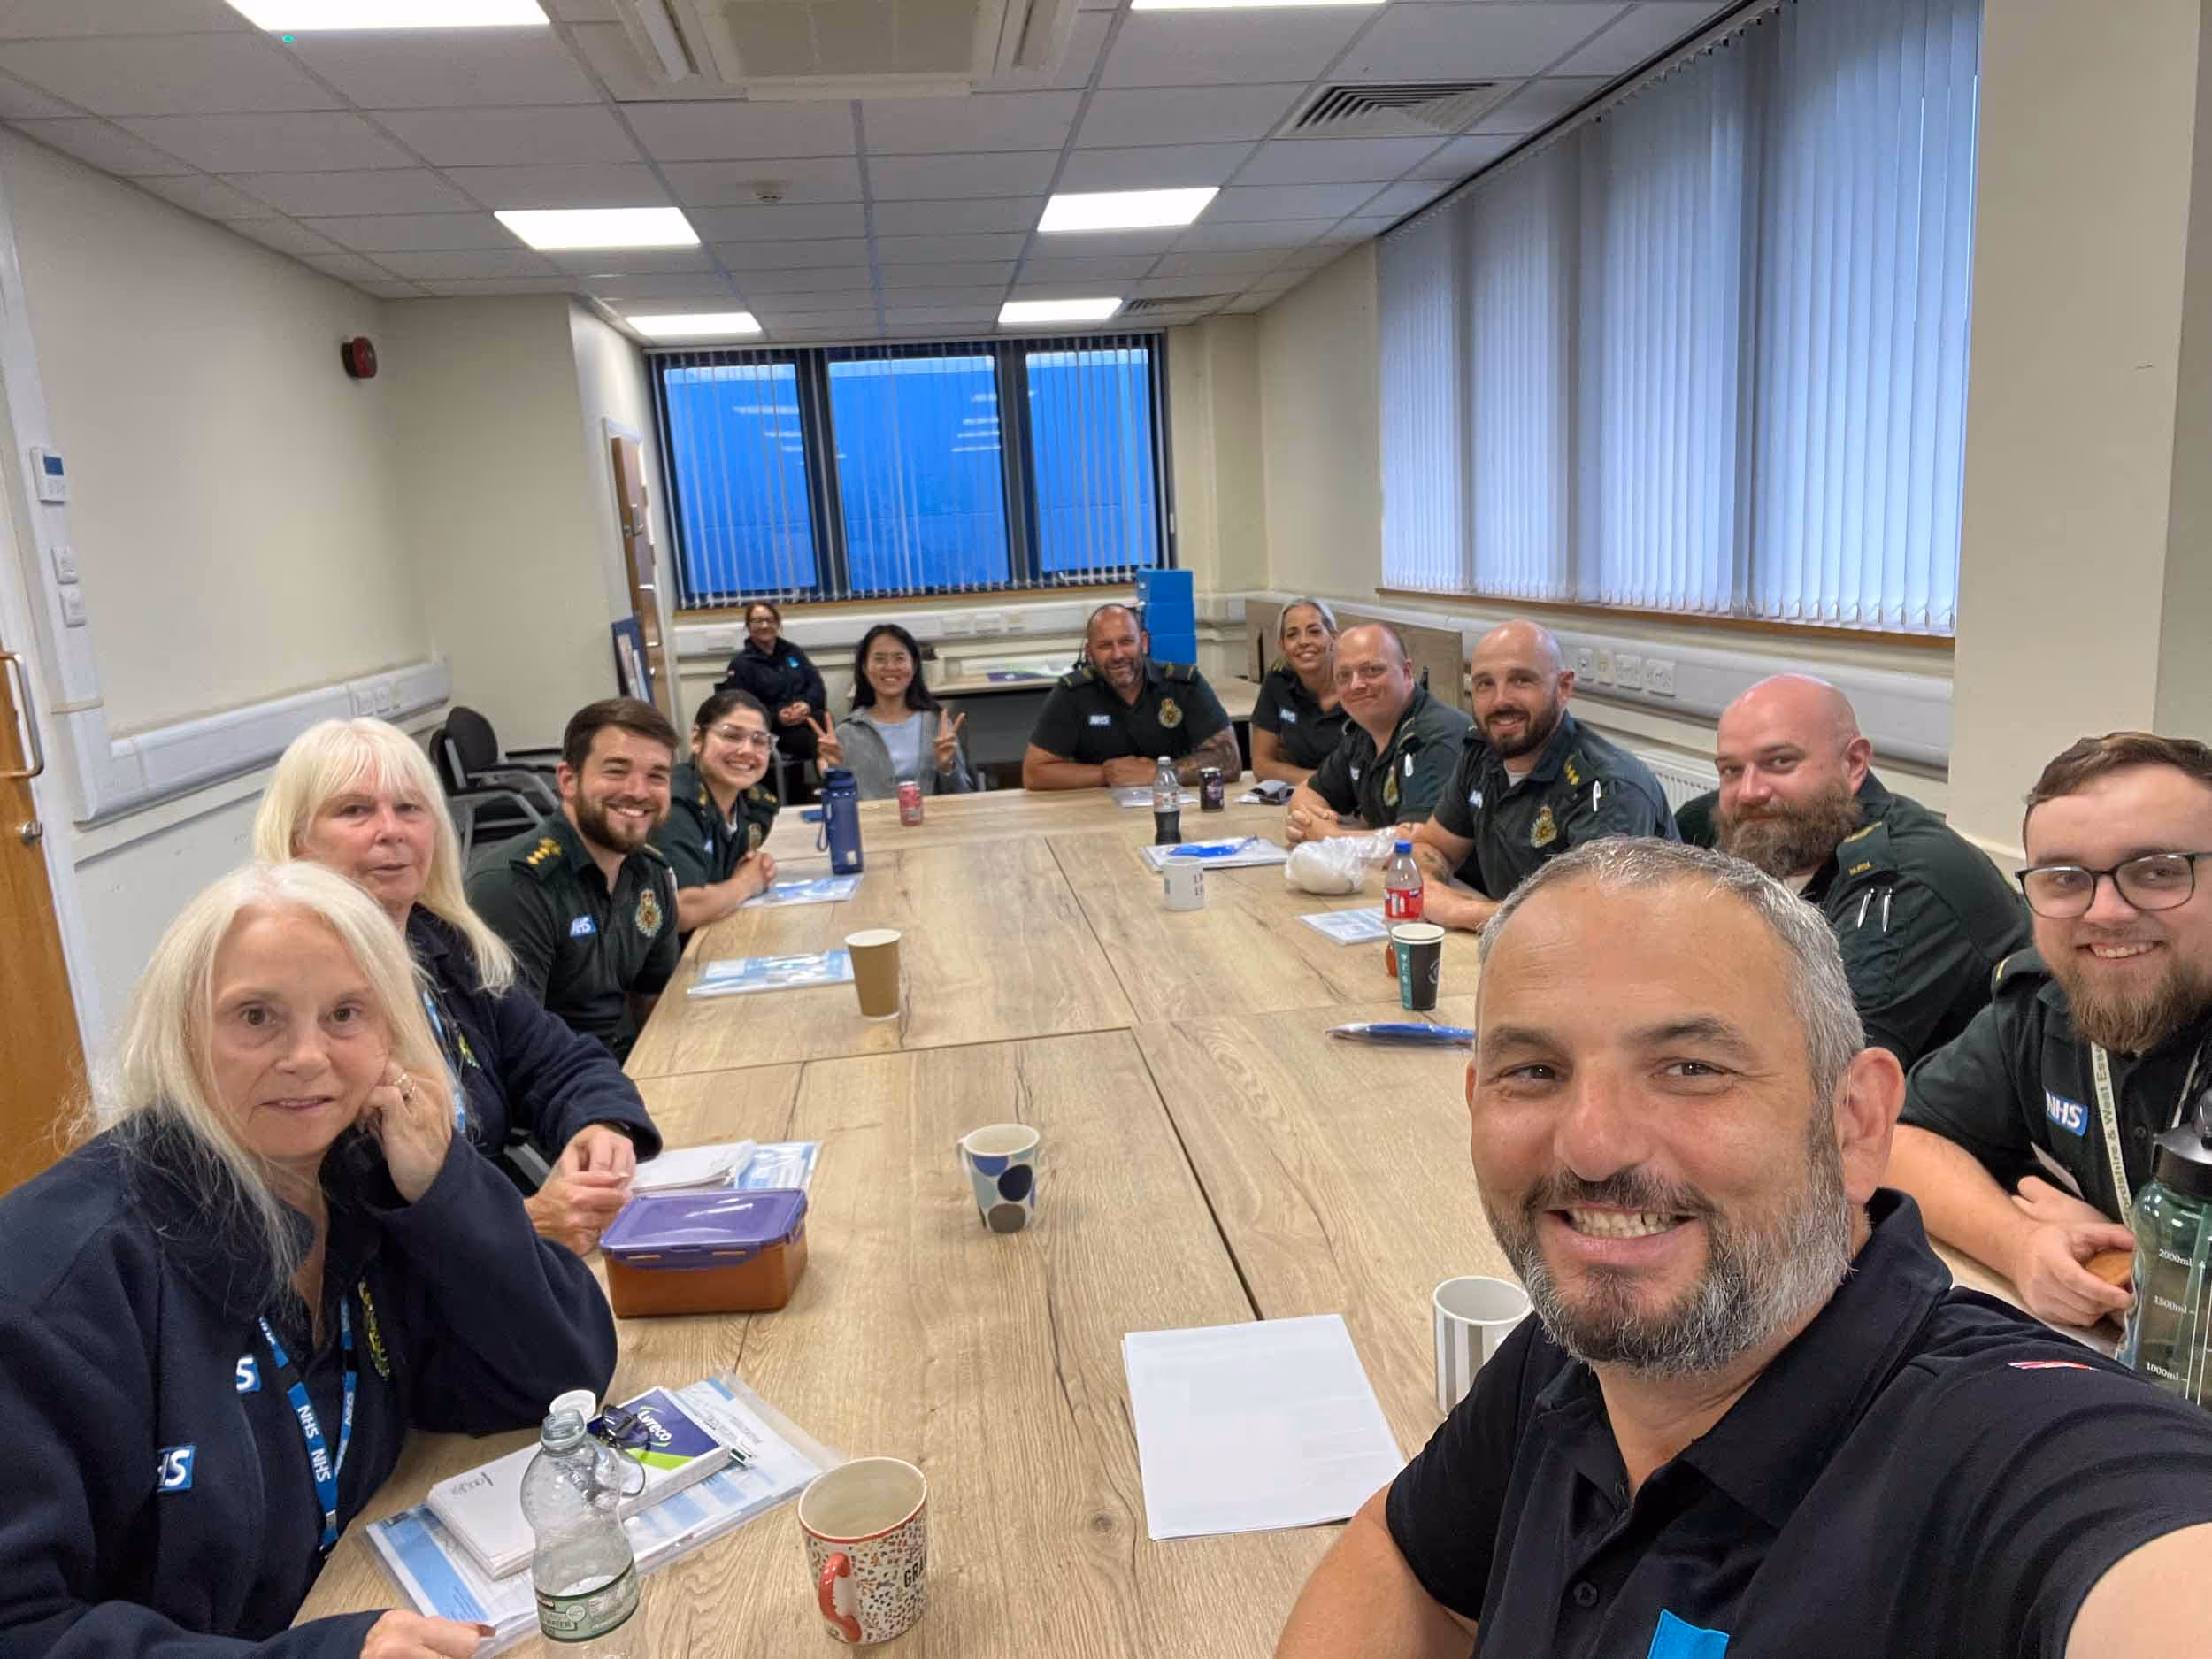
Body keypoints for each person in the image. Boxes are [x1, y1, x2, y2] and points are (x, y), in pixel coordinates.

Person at [1273, 838, 2212, 1659]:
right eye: (1535, 1070)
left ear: (1855, 1123)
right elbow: (1406, 1560)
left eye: (1690, 1068)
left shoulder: (2007, 1445)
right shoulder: (1573, 1357)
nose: (1592, 1145)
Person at [0, 860, 618, 1656]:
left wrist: (444, 1191)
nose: (306, 1054)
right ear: (182, 1033)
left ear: (393, 1033)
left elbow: (560, 1374)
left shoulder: (360, 1181)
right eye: (256, 1015)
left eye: (346, 1013)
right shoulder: (60, 1278)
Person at [256, 719, 663, 1256]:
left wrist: (600, 1125)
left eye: (410, 808)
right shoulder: (293, 1007)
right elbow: (334, 1232)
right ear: (298, 842)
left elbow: (560, 1059)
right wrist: (523, 1223)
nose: (391, 831)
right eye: (355, 810)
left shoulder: (443, 944)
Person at [1891, 733, 2212, 1331]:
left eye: (2158, 871)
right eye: (2065, 879)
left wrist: (2143, 1265)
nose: (2105, 911)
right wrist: (2019, 1242)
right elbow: (1900, 1142)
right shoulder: (2044, 1005)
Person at [1711, 673, 2030, 1068]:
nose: (1749, 792)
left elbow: (1831, 1070)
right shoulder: (1780, 841)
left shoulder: (1901, 882)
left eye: (1780, 762)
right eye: (1730, 770)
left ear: (1854, 764)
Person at [1410, 619, 1675, 931]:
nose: (1500, 700)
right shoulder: (1481, 754)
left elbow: (1595, 920)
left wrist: (1460, 910)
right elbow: (1432, 846)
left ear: (1564, 687)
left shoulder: (1607, 787)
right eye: (1485, 684)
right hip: (1516, 941)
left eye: (1521, 680)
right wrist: (1428, 885)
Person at [467, 698, 680, 1064]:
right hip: (559, 1085)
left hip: (624, 1066)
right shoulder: (514, 888)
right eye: (616, 771)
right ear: (568, 780)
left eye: (656, 776)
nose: (639, 791)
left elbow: (655, 1004)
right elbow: (514, 1052)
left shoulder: (651, 874)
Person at [1020, 603, 1241, 791]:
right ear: (1089, 653)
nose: (1117, 655)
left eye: (1126, 642)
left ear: (1143, 643)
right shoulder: (1072, 693)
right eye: (1105, 646)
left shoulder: (1183, 685)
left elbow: (1230, 761)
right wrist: (1107, 775)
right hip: (1100, 811)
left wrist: (1160, 774)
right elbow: (1034, 773)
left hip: (1177, 803)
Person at [1284, 624, 1470, 843]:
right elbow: (1306, 793)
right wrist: (1309, 821)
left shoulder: (1436, 736)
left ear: (1406, 672)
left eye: (1372, 670)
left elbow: (1421, 842)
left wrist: (1330, 836)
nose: (1356, 685)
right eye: (1344, 675)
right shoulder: (1365, 732)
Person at [652, 689, 781, 935]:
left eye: (759, 740)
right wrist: (746, 883)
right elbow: (683, 909)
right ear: (697, 739)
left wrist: (755, 870)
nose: (747, 750)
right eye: (731, 736)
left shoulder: (755, 806)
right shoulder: (675, 805)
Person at [812, 622, 976, 800]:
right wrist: (834, 772)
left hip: (930, 817)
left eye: (899, 658)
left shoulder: (937, 724)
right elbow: (841, 803)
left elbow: (963, 797)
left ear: (914, 666)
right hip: (872, 818)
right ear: (865, 668)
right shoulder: (847, 732)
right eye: (880, 659)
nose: (890, 667)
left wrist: (947, 767)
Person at [717, 600, 828, 769]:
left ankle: (828, 773)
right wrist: (778, 717)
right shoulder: (740, 665)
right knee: (820, 740)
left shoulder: (793, 652)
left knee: (824, 722)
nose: (764, 625)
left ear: (777, 624)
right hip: (772, 732)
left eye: (769, 620)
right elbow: (742, 710)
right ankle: (829, 776)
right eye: (758, 621)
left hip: (808, 719)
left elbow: (816, 686)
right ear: (748, 627)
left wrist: (806, 704)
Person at [1251, 599, 1349, 787]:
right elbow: (1262, 765)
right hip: (1307, 791)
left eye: (1314, 632)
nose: (1303, 642)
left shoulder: (1357, 682)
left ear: (1334, 638)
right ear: (1282, 646)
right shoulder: (1278, 681)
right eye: (1292, 635)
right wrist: (1322, 782)